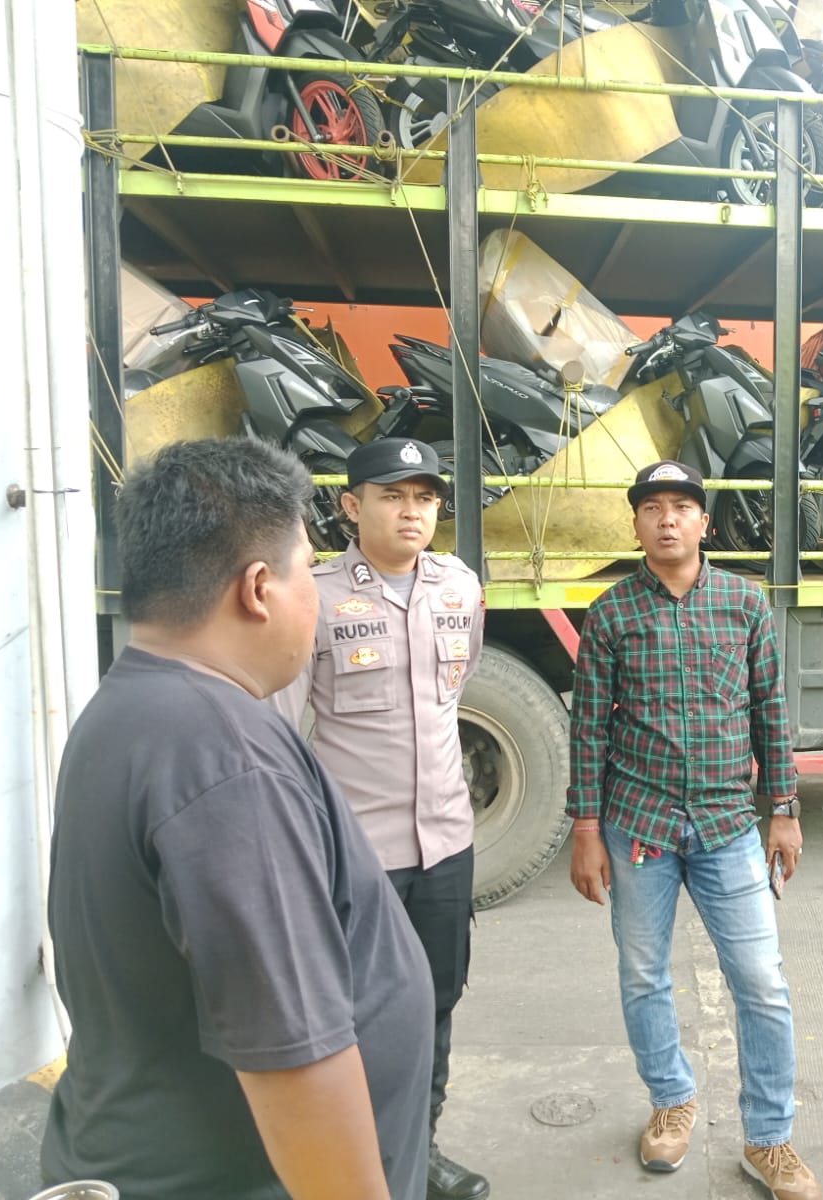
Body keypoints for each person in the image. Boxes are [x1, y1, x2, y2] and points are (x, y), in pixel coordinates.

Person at [43, 437, 434, 1200]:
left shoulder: (134, 704)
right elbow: (295, 1054)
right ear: (259, 588)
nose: (315, 592)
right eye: (308, 568)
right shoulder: (224, 760)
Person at [566, 460, 823, 1200]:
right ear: (637, 525)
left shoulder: (743, 604)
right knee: (643, 974)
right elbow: (589, 729)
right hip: (638, 825)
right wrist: (586, 828)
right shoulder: (611, 612)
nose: (667, 520)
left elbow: (770, 709)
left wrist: (784, 809)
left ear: (705, 524)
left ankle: (769, 1140)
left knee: (762, 983)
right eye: (652, 508)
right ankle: (671, 1101)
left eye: (681, 507)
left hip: (726, 824)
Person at [272, 437, 489, 1200]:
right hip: (359, 855)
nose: (411, 511)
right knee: (353, 1016)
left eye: (425, 497)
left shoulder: (459, 586)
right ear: (351, 505)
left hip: (446, 845)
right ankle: (353, 1167)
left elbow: (455, 692)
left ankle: (417, 1152)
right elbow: (277, 729)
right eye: (393, 495)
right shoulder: (317, 595)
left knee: (435, 1004)